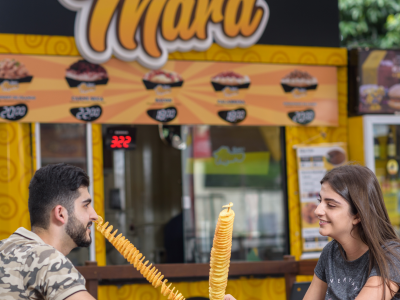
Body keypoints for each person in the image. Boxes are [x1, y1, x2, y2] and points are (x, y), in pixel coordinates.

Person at [0, 163, 98, 300]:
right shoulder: (48, 259)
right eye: (86, 205)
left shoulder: (4, 249)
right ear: (60, 213)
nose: (94, 216)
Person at [303, 164, 400, 300]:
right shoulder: (330, 252)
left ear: (358, 215)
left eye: (331, 205)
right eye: (320, 201)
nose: (317, 210)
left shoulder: (392, 255)